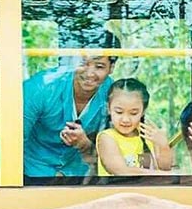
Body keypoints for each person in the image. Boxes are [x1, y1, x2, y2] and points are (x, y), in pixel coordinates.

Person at [23, 32, 120, 177]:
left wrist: (84, 144)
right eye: (83, 63)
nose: (89, 74)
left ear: (111, 68)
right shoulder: (40, 87)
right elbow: (14, 140)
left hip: (80, 175)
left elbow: (119, 152)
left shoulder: (113, 94)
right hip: (33, 170)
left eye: (99, 66)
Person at [95, 78, 173, 177]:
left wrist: (163, 145)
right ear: (109, 108)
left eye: (133, 113)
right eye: (119, 112)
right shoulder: (106, 137)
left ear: (143, 111)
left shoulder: (149, 135)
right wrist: (163, 175)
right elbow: (121, 171)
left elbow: (165, 168)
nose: (126, 119)